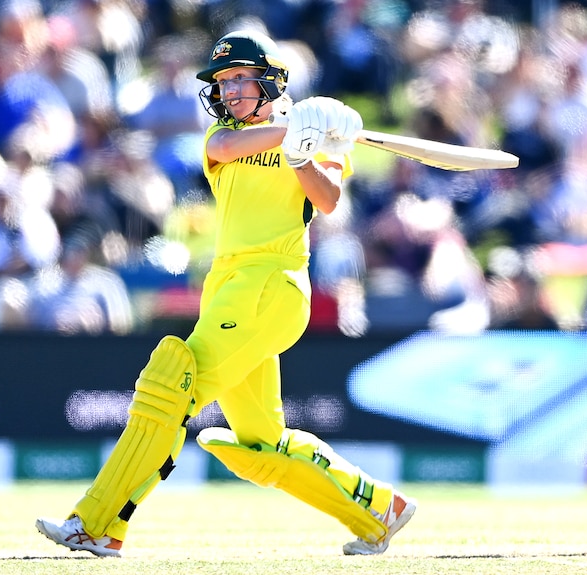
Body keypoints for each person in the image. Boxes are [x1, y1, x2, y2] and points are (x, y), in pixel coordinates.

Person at [35, 29, 416, 557]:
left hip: (273, 285)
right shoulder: (225, 138)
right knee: (261, 447)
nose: (231, 90)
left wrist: (310, 149)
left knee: (171, 385)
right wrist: (295, 130)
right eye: (223, 80)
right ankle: (378, 510)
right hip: (229, 287)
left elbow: (326, 202)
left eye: (241, 77)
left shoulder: (310, 140)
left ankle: (98, 521)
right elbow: (227, 146)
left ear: (269, 80)